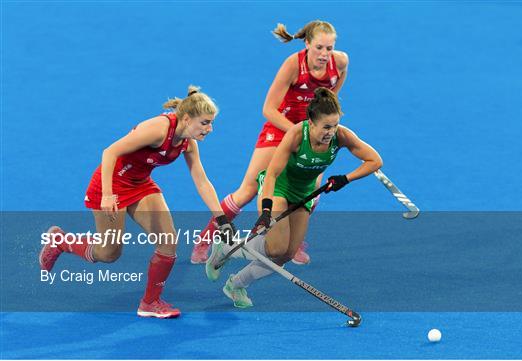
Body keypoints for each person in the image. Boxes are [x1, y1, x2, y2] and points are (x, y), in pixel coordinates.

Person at [39, 86, 237, 318]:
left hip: (140, 184)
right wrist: (107, 194)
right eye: (205, 122)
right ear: (186, 118)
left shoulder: (188, 143)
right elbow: (110, 152)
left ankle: (150, 302)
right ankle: (60, 241)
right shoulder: (158, 129)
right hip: (110, 184)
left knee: (168, 241)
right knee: (109, 253)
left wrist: (221, 219)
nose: (210, 129)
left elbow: (202, 181)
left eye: (211, 123)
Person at [205, 88, 383, 308]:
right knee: (276, 248)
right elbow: (271, 174)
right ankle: (226, 248)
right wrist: (267, 210)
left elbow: (375, 161)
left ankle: (236, 284)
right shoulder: (297, 135)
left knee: (286, 255)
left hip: (304, 194)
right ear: (311, 122)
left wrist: (345, 179)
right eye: (326, 127)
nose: (331, 132)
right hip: (278, 188)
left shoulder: (342, 136)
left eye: (334, 125)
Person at [191, 20, 349, 265]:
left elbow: (331, 98)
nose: (324, 54)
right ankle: (206, 239)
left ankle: (294, 240)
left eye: (329, 48)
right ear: (307, 43)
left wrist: (325, 123)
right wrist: (299, 133)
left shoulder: (340, 62)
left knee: (309, 192)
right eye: (319, 47)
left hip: (312, 131)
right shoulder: (293, 66)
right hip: (281, 128)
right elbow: (268, 109)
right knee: (249, 190)